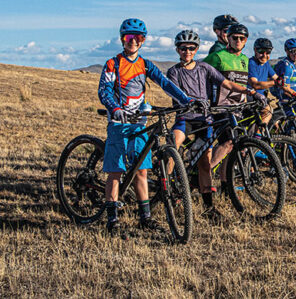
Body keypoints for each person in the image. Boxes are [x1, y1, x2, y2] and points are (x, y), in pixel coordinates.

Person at [97, 18, 195, 235]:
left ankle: (145, 217)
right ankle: (112, 220)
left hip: (139, 122)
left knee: (141, 171)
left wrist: (185, 99)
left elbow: (165, 83)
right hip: (119, 123)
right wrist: (114, 109)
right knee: (115, 172)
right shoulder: (113, 63)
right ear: (122, 39)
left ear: (143, 41)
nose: (133, 41)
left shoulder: (145, 64)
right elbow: (104, 91)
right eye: (129, 37)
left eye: (138, 38)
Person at [166, 29, 254, 222]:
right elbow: (174, 93)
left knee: (205, 164)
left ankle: (209, 208)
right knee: (174, 144)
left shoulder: (204, 68)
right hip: (185, 118)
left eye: (191, 48)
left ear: (196, 49)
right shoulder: (173, 71)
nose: (187, 51)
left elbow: (227, 83)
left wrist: (250, 92)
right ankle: (167, 187)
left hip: (204, 120)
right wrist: (189, 102)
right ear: (177, 50)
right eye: (183, 48)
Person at [203, 22, 254, 192]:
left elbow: (242, 83)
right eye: (234, 37)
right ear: (228, 38)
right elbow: (200, 71)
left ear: (246, 40)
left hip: (237, 108)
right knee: (228, 143)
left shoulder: (244, 60)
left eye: (242, 38)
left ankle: (225, 184)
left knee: (233, 148)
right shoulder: (218, 56)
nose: (238, 40)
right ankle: (204, 172)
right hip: (220, 107)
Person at [247, 37, 295, 126]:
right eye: (261, 51)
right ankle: (258, 138)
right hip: (251, 98)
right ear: (255, 50)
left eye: (268, 52)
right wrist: (275, 83)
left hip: (261, 99)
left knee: (274, 121)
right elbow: (255, 85)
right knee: (267, 112)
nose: (264, 55)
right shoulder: (251, 63)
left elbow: (280, 82)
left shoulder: (266, 64)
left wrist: (295, 94)